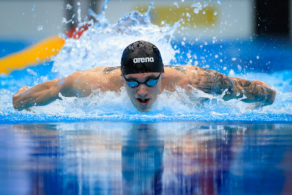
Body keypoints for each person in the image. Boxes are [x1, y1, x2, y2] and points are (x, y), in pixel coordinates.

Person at [13, 40, 276, 112]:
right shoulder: (92, 83)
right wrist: (22, 97)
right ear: (121, 77)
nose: (142, 91)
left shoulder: (192, 82)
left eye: (151, 80)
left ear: (162, 75)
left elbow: (249, 90)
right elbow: (36, 94)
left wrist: (263, 94)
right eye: (133, 82)